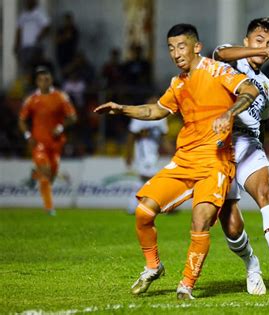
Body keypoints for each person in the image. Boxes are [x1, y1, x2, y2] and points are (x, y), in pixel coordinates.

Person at [93, 23, 259, 300]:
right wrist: (122, 108)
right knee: (143, 211)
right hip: (184, 160)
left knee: (200, 220)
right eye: (171, 48)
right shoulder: (178, 83)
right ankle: (153, 266)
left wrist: (229, 113)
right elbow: (156, 110)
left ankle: (186, 285)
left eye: (181, 46)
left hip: (215, 161)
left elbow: (250, 90)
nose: (176, 53)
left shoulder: (218, 70)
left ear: (196, 47)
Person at [213, 17, 269, 299]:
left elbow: (261, 125)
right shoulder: (229, 60)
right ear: (247, 41)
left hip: (247, 143)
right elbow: (220, 54)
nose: (265, 48)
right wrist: (262, 52)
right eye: (259, 41)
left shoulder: (267, 87)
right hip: (217, 144)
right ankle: (251, 264)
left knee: (267, 193)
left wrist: (259, 153)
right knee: (229, 220)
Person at [18, 66, 77, 216]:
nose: (44, 82)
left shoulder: (60, 97)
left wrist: (61, 127)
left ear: (51, 79)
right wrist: (27, 135)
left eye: (47, 78)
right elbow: (22, 120)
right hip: (39, 142)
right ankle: (49, 208)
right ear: (37, 82)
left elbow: (73, 117)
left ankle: (34, 175)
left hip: (56, 143)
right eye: (41, 79)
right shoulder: (32, 99)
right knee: (46, 173)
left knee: (50, 176)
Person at [125, 97, 168, 214]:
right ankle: (160, 205)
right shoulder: (140, 115)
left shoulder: (162, 117)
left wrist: (169, 150)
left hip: (154, 153)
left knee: (144, 180)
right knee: (148, 178)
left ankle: (133, 206)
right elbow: (131, 135)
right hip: (143, 152)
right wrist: (128, 154)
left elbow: (163, 136)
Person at [14, 0, 50, 73]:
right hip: (24, 46)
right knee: (24, 67)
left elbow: (47, 27)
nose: (28, 2)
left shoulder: (39, 13)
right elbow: (19, 30)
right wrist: (16, 44)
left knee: (34, 66)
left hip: (35, 46)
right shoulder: (23, 15)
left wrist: (39, 37)